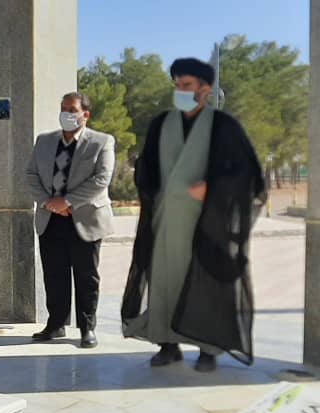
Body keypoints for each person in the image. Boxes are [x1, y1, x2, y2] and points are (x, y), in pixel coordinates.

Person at [122, 58, 266, 372]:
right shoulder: (161, 123)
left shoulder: (224, 126)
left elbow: (248, 174)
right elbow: (146, 168)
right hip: (167, 221)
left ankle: (208, 349)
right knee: (165, 281)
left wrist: (214, 187)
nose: (181, 91)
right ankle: (167, 345)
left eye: (186, 85)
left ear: (205, 88)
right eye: (177, 85)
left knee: (206, 283)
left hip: (208, 224)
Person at [26, 92, 115, 349]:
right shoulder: (44, 141)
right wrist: (48, 202)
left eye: (72, 109)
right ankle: (56, 324)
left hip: (85, 219)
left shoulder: (101, 141)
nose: (66, 113)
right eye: (63, 108)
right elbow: (31, 175)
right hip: (50, 218)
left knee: (86, 277)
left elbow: (101, 179)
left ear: (85, 114)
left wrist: (67, 201)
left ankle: (87, 328)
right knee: (55, 275)